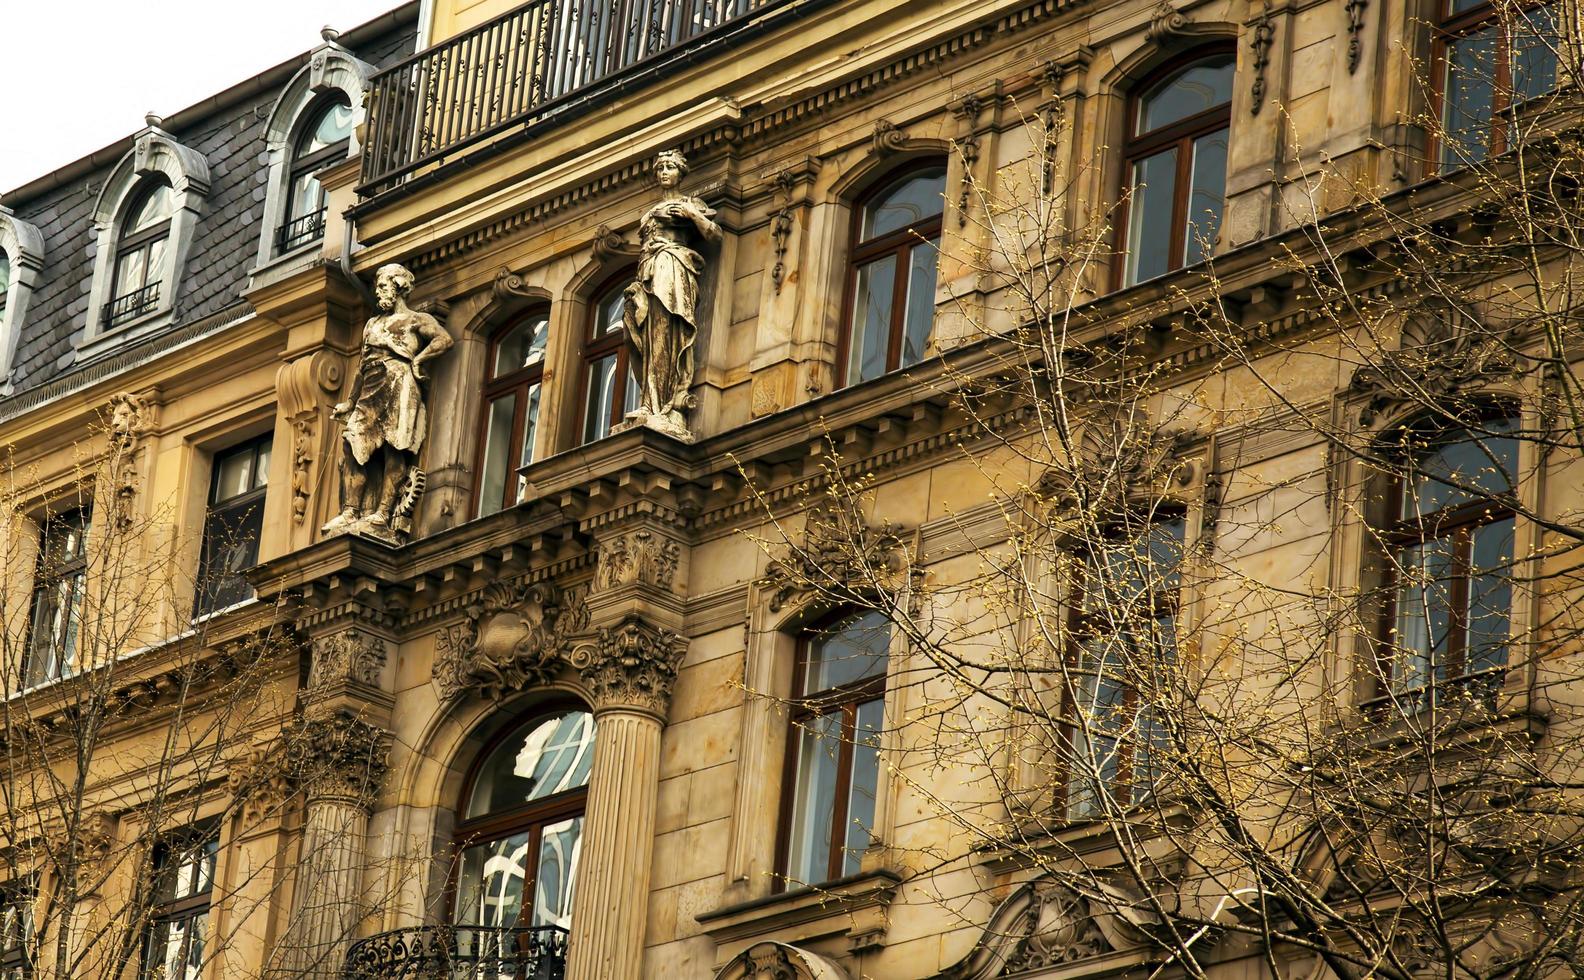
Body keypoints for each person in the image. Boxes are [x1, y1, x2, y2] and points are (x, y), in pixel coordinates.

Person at [323, 263, 453, 541]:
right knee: (352, 442)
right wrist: (349, 401)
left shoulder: (415, 320)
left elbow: (444, 339)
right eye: (378, 286)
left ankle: (382, 513)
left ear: (398, 287)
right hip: (371, 384)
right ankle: (350, 510)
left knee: (394, 449)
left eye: (383, 285)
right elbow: (361, 365)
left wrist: (418, 360)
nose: (379, 290)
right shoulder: (372, 323)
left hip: (399, 382)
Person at [622, 149, 721, 440]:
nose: (664, 172)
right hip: (648, 274)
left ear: (680, 172)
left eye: (670, 167)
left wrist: (692, 215)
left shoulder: (691, 204)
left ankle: (664, 405)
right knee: (644, 338)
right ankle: (648, 403)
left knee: (666, 334)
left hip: (672, 270)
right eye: (660, 168)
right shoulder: (649, 214)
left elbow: (714, 234)